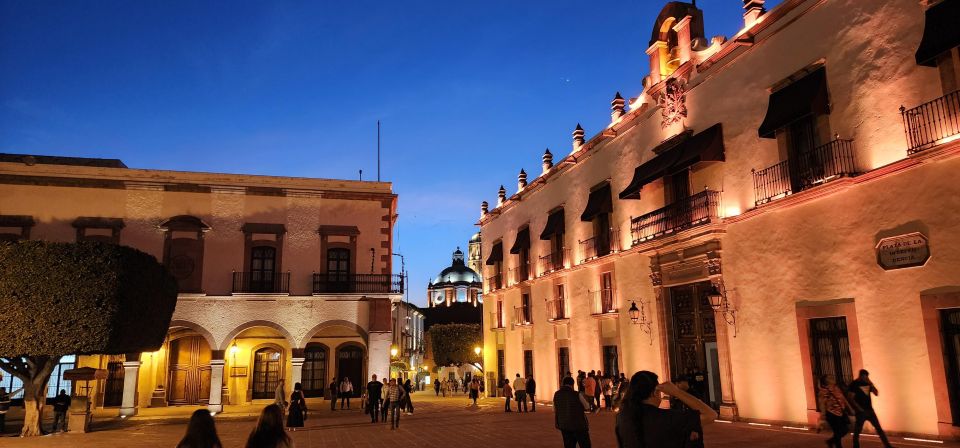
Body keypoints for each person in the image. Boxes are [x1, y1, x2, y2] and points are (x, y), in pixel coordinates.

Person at [616, 370, 717, 448]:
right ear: (655, 392)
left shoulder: (622, 417)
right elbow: (711, 415)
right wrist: (676, 391)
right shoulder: (667, 418)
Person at [847, 370, 894, 448]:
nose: (865, 378)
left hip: (870, 410)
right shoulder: (854, 384)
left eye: (867, 376)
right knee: (857, 431)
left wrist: (871, 383)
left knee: (879, 429)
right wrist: (858, 408)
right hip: (861, 412)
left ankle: (888, 446)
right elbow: (850, 398)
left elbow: (876, 393)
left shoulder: (867, 383)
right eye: (864, 376)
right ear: (860, 375)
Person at [554, 376, 592, 448]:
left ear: (563, 384)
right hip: (579, 425)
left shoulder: (557, 394)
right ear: (572, 384)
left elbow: (554, 409)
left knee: (569, 445)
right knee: (585, 445)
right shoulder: (577, 394)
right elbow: (587, 406)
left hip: (564, 425)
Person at [819, 374, 855, 448]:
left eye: (832, 376)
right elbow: (822, 404)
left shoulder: (836, 388)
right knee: (838, 432)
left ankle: (831, 441)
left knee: (845, 430)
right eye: (829, 377)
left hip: (841, 413)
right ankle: (837, 445)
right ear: (826, 381)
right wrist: (823, 416)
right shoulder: (824, 391)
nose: (832, 377)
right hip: (832, 414)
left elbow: (843, 398)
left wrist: (850, 408)